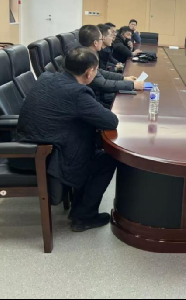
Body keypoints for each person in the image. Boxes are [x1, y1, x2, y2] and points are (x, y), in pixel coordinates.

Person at [15, 47, 120, 232]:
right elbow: (110, 121)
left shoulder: (46, 77)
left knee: (91, 144)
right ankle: (84, 217)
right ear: (89, 72)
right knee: (107, 159)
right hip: (47, 158)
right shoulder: (78, 93)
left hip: (26, 148)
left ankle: (80, 208)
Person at [79, 25, 144, 106]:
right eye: (101, 39)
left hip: (97, 94)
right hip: (95, 98)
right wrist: (132, 85)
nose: (102, 41)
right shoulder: (86, 58)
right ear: (95, 43)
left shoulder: (90, 54)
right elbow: (103, 84)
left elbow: (100, 72)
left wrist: (123, 78)